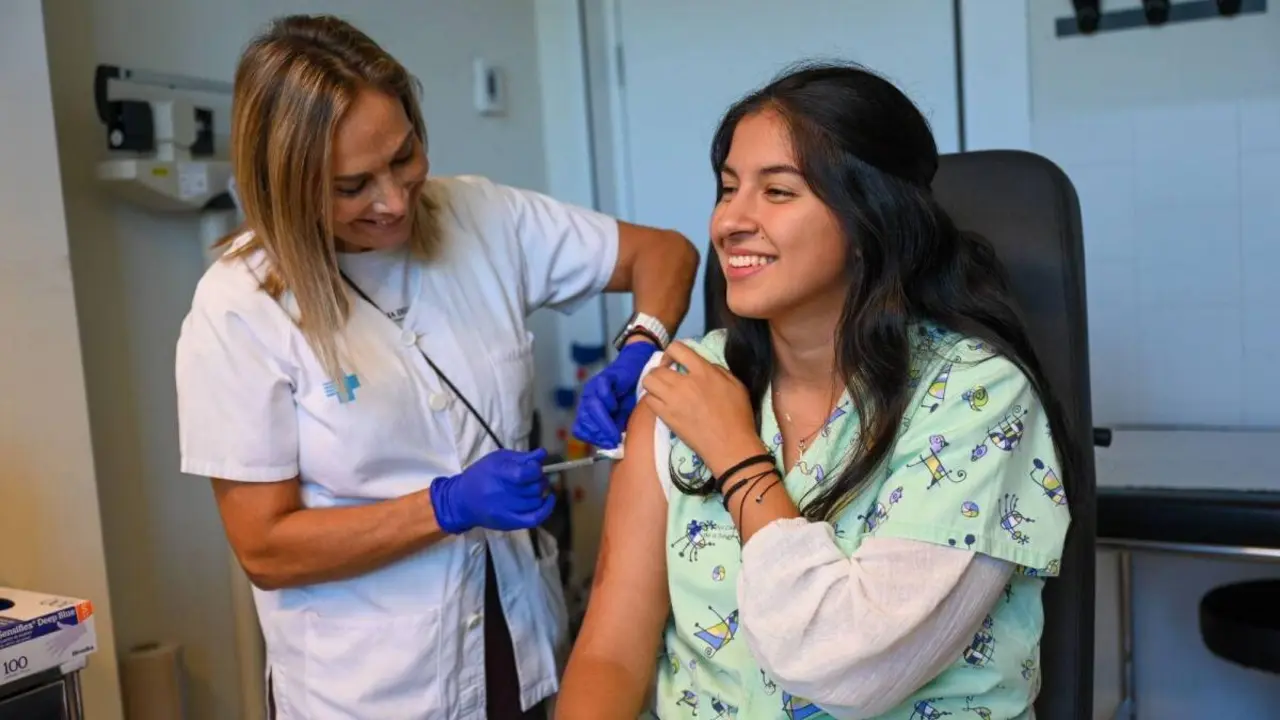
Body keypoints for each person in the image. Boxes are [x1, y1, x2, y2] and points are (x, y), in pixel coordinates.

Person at [174, 14, 697, 720]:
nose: (393, 200)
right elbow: (266, 548)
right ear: (287, 185)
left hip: (519, 647)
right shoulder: (239, 308)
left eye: (404, 156)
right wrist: (442, 508)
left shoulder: (481, 215)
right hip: (369, 689)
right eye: (353, 185)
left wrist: (640, 345)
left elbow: (664, 252)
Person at [557, 61, 1077, 719]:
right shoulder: (686, 386)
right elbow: (611, 654)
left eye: (777, 192)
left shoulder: (976, 398)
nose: (729, 223)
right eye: (727, 189)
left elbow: (848, 672)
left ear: (870, 219)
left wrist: (736, 453)